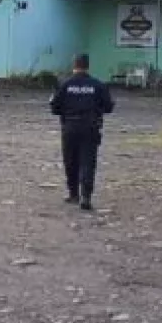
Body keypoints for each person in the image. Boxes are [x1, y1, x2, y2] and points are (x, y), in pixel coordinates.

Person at [49, 54, 115, 211]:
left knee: (70, 161)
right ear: (88, 66)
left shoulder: (65, 84)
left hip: (70, 126)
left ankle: (73, 194)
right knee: (88, 162)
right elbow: (109, 107)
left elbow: (54, 108)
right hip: (90, 127)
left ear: (74, 65)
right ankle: (86, 196)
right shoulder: (98, 85)